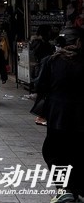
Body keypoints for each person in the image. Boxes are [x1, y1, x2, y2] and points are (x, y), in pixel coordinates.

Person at [36, 26, 84, 202]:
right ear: (78, 42)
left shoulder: (51, 61)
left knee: (53, 152)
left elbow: (40, 87)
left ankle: (64, 189)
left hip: (57, 116)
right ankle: (74, 190)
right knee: (76, 152)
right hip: (80, 117)